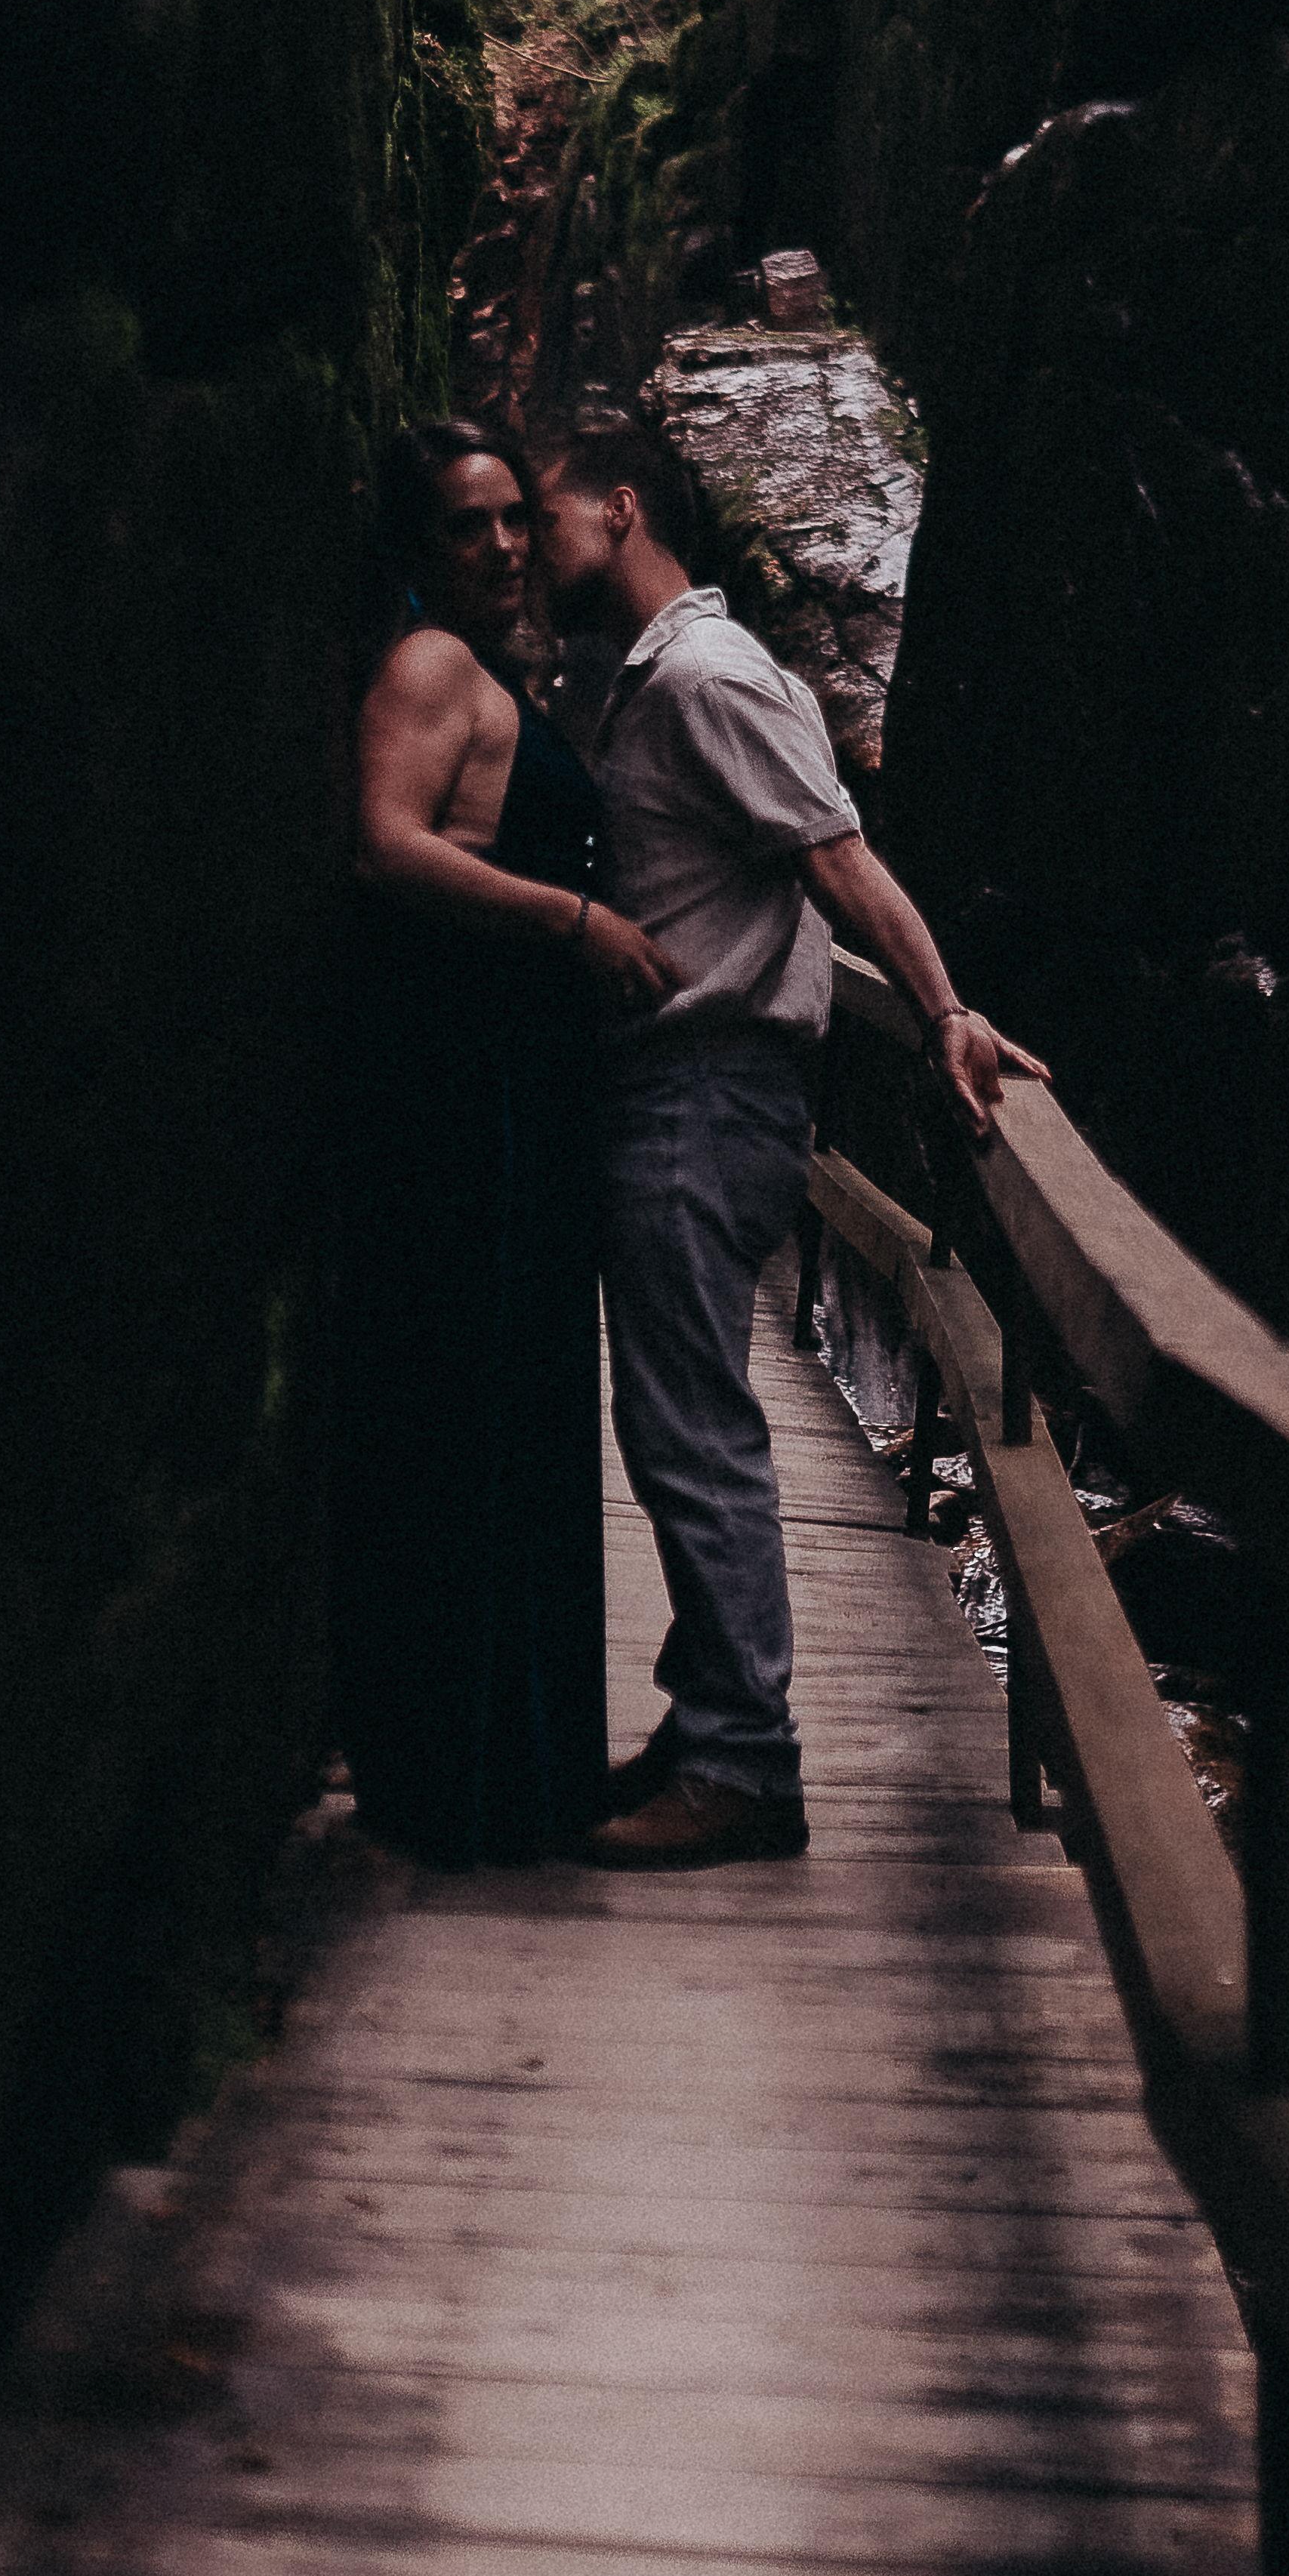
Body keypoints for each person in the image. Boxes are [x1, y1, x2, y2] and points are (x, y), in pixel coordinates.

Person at [539, 402, 1016, 1868]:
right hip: (681, 1087)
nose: (523, 544)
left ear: (622, 507)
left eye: (543, 513)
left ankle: (746, 1766)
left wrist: (941, 1007)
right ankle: (707, 1725)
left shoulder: (707, 675)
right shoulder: (642, 677)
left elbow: (837, 859)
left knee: (692, 1429)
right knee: (671, 1419)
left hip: (707, 1090)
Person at [334, 418, 683, 1863]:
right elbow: (385, 840)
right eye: (464, 525)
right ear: (421, 548)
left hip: (517, 1081)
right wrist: (578, 921)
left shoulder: (498, 673)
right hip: (463, 1080)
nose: (496, 546)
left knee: (519, 1394)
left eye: (508, 521)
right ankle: (463, 1770)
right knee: (473, 1392)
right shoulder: (429, 667)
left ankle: (515, 1761)